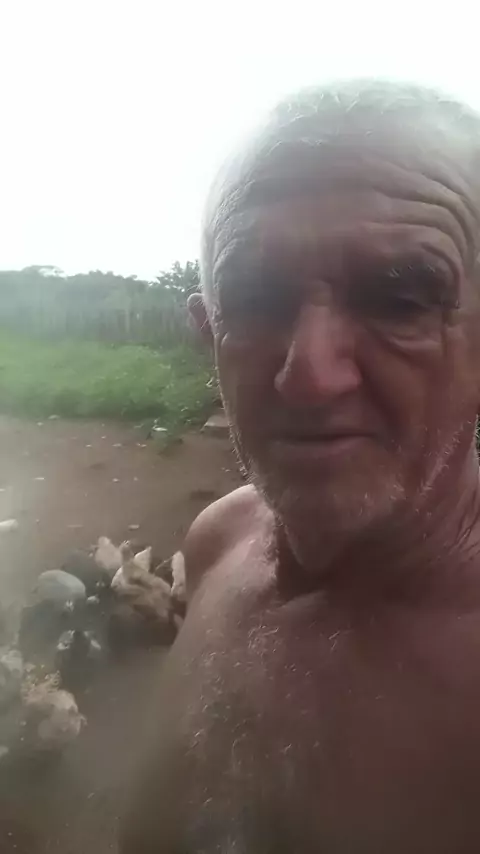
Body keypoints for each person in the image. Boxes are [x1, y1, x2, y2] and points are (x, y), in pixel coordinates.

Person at [122, 80, 480, 853]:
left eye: (399, 299)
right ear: (209, 333)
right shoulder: (217, 543)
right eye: (256, 300)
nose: (310, 377)